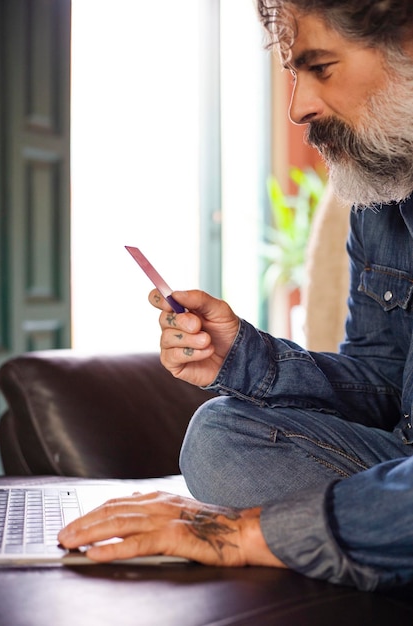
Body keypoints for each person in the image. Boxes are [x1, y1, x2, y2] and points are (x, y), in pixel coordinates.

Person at [58, 0, 413, 591]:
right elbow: (383, 381)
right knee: (221, 437)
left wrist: (243, 534)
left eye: (319, 66)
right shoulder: (385, 189)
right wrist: (244, 358)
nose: (298, 107)